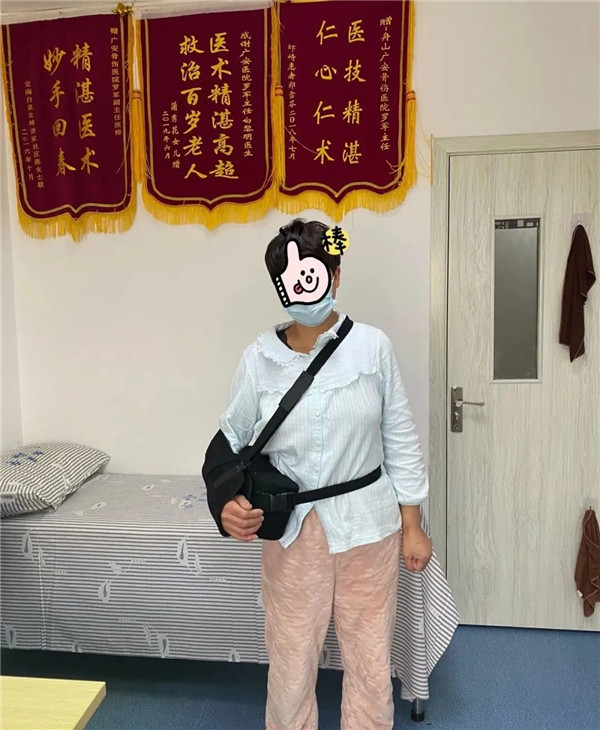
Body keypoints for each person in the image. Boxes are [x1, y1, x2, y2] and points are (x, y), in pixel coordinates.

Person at [219, 218, 432, 730]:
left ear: (334, 275)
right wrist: (223, 501)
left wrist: (413, 523)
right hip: (295, 533)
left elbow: (400, 436)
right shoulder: (259, 359)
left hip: (369, 526)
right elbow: (228, 442)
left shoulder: (372, 347)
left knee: (370, 662)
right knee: (291, 664)